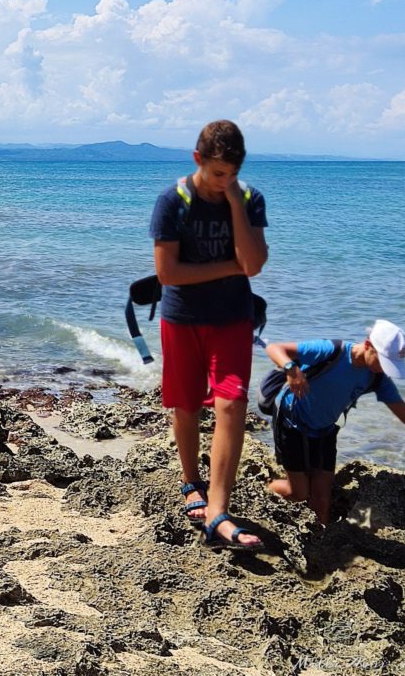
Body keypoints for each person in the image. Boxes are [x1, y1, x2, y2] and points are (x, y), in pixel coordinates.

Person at [149, 119, 269, 551]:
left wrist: (235, 203)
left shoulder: (249, 199)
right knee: (184, 406)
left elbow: (253, 263)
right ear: (198, 160)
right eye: (219, 174)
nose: (226, 182)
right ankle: (190, 482)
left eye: (233, 174)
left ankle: (218, 509)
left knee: (232, 401)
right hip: (181, 319)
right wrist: (230, 267)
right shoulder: (173, 201)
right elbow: (168, 273)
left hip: (233, 319)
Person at [265, 319, 405, 525]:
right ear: (368, 345)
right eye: (383, 361)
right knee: (298, 493)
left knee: (322, 498)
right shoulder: (331, 351)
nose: (384, 369)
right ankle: (261, 489)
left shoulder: (377, 378)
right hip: (292, 423)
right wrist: (291, 369)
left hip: (325, 431)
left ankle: (323, 542)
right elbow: (275, 348)